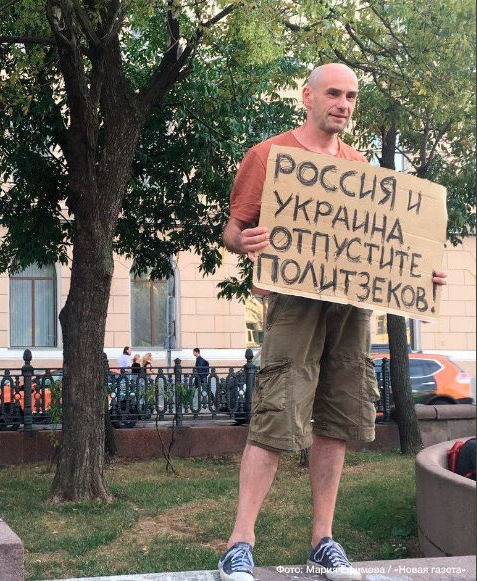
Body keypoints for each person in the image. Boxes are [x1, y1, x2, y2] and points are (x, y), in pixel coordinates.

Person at [217, 63, 448, 581]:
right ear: (308, 96)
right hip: (294, 303)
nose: (344, 104)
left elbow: (389, 243)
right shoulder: (269, 156)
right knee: (277, 415)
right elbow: (233, 230)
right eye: (334, 94)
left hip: (349, 308)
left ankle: (324, 540)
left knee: (339, 419)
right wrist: (244, 241)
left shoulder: (358, 167)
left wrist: (420, 270)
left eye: (352, 96)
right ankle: (239, 543)